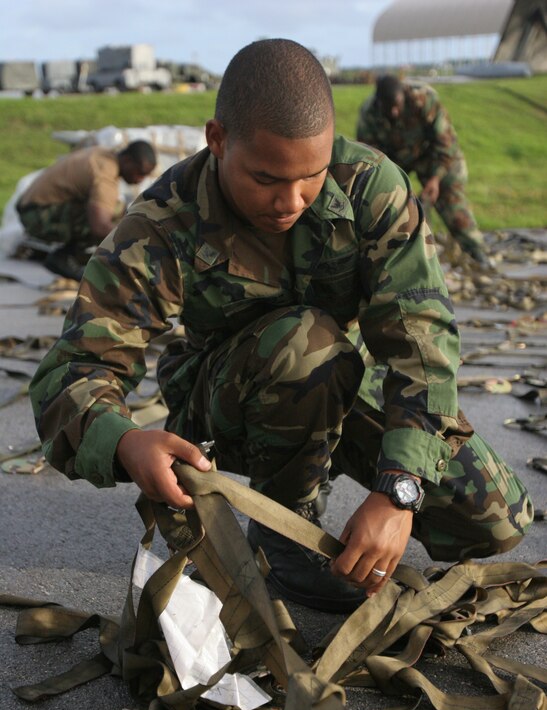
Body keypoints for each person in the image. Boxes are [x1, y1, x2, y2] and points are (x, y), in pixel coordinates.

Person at [29, 39, 533, 614]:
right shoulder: (162, 223)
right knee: (307, 342)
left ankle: (329, 466)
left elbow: (421, 339)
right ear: (217, 140)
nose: (290, 201)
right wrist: (123, 439)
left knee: (495, 518)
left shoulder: (371, 188)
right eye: (266, 178)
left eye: (310, 176)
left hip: (340, 378)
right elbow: (71, 372)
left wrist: (401, 488)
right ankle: (282, 539)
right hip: (220, 406)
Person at [356, 75, 492, 268]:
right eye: (388, 108)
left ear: (404, 96)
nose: (394, 112)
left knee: (452, 204)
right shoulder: (369, 114)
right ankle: (395, 260)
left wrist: (435, 179)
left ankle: (479, 255)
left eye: (397, 106)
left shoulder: (424, 99)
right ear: (379, 103)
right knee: (385, 204)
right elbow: (369, 158)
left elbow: (446, 144)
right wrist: (392, 184)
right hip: (394, 160)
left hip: (433, 155)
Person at [16, 140, 157, 280]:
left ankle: (74, 255)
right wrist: (135, 254)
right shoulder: (105, 176)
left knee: (116, 212)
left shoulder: (103, 154)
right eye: (139, 173)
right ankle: (66, 257)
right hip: (36, 216)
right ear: (127, 160)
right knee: (111, 219)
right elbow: (100, 227)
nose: (140, 179)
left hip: (32, 208)